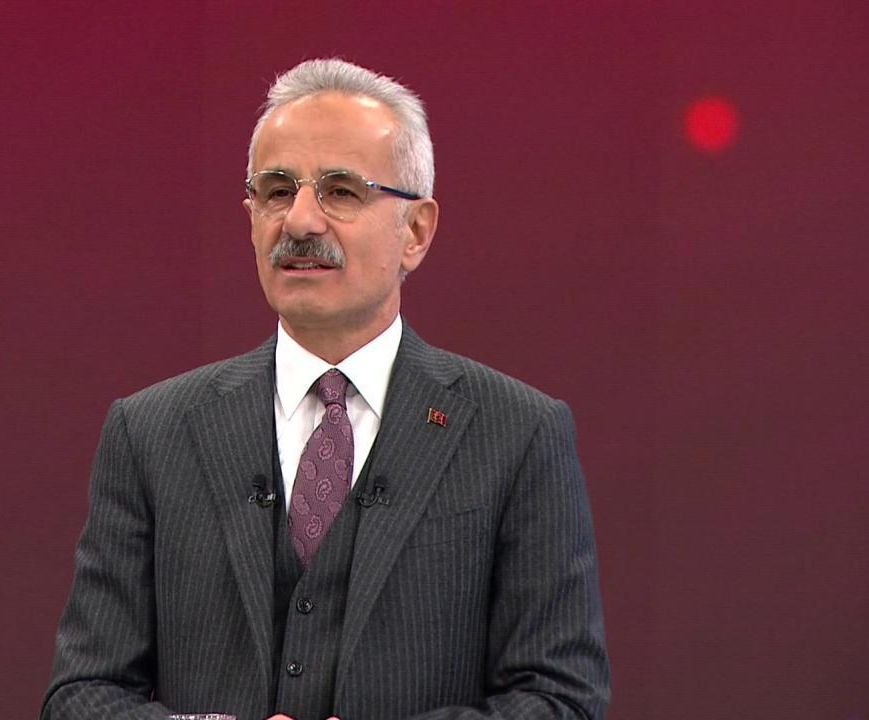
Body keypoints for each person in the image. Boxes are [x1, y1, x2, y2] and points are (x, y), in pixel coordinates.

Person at [41, 59, 609, 720]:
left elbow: (560, 700)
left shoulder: (517, 433)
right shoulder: (150, 432)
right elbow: (82, 696)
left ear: (416, 231)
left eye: (340, 191)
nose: (300, 221)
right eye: (276, 191)